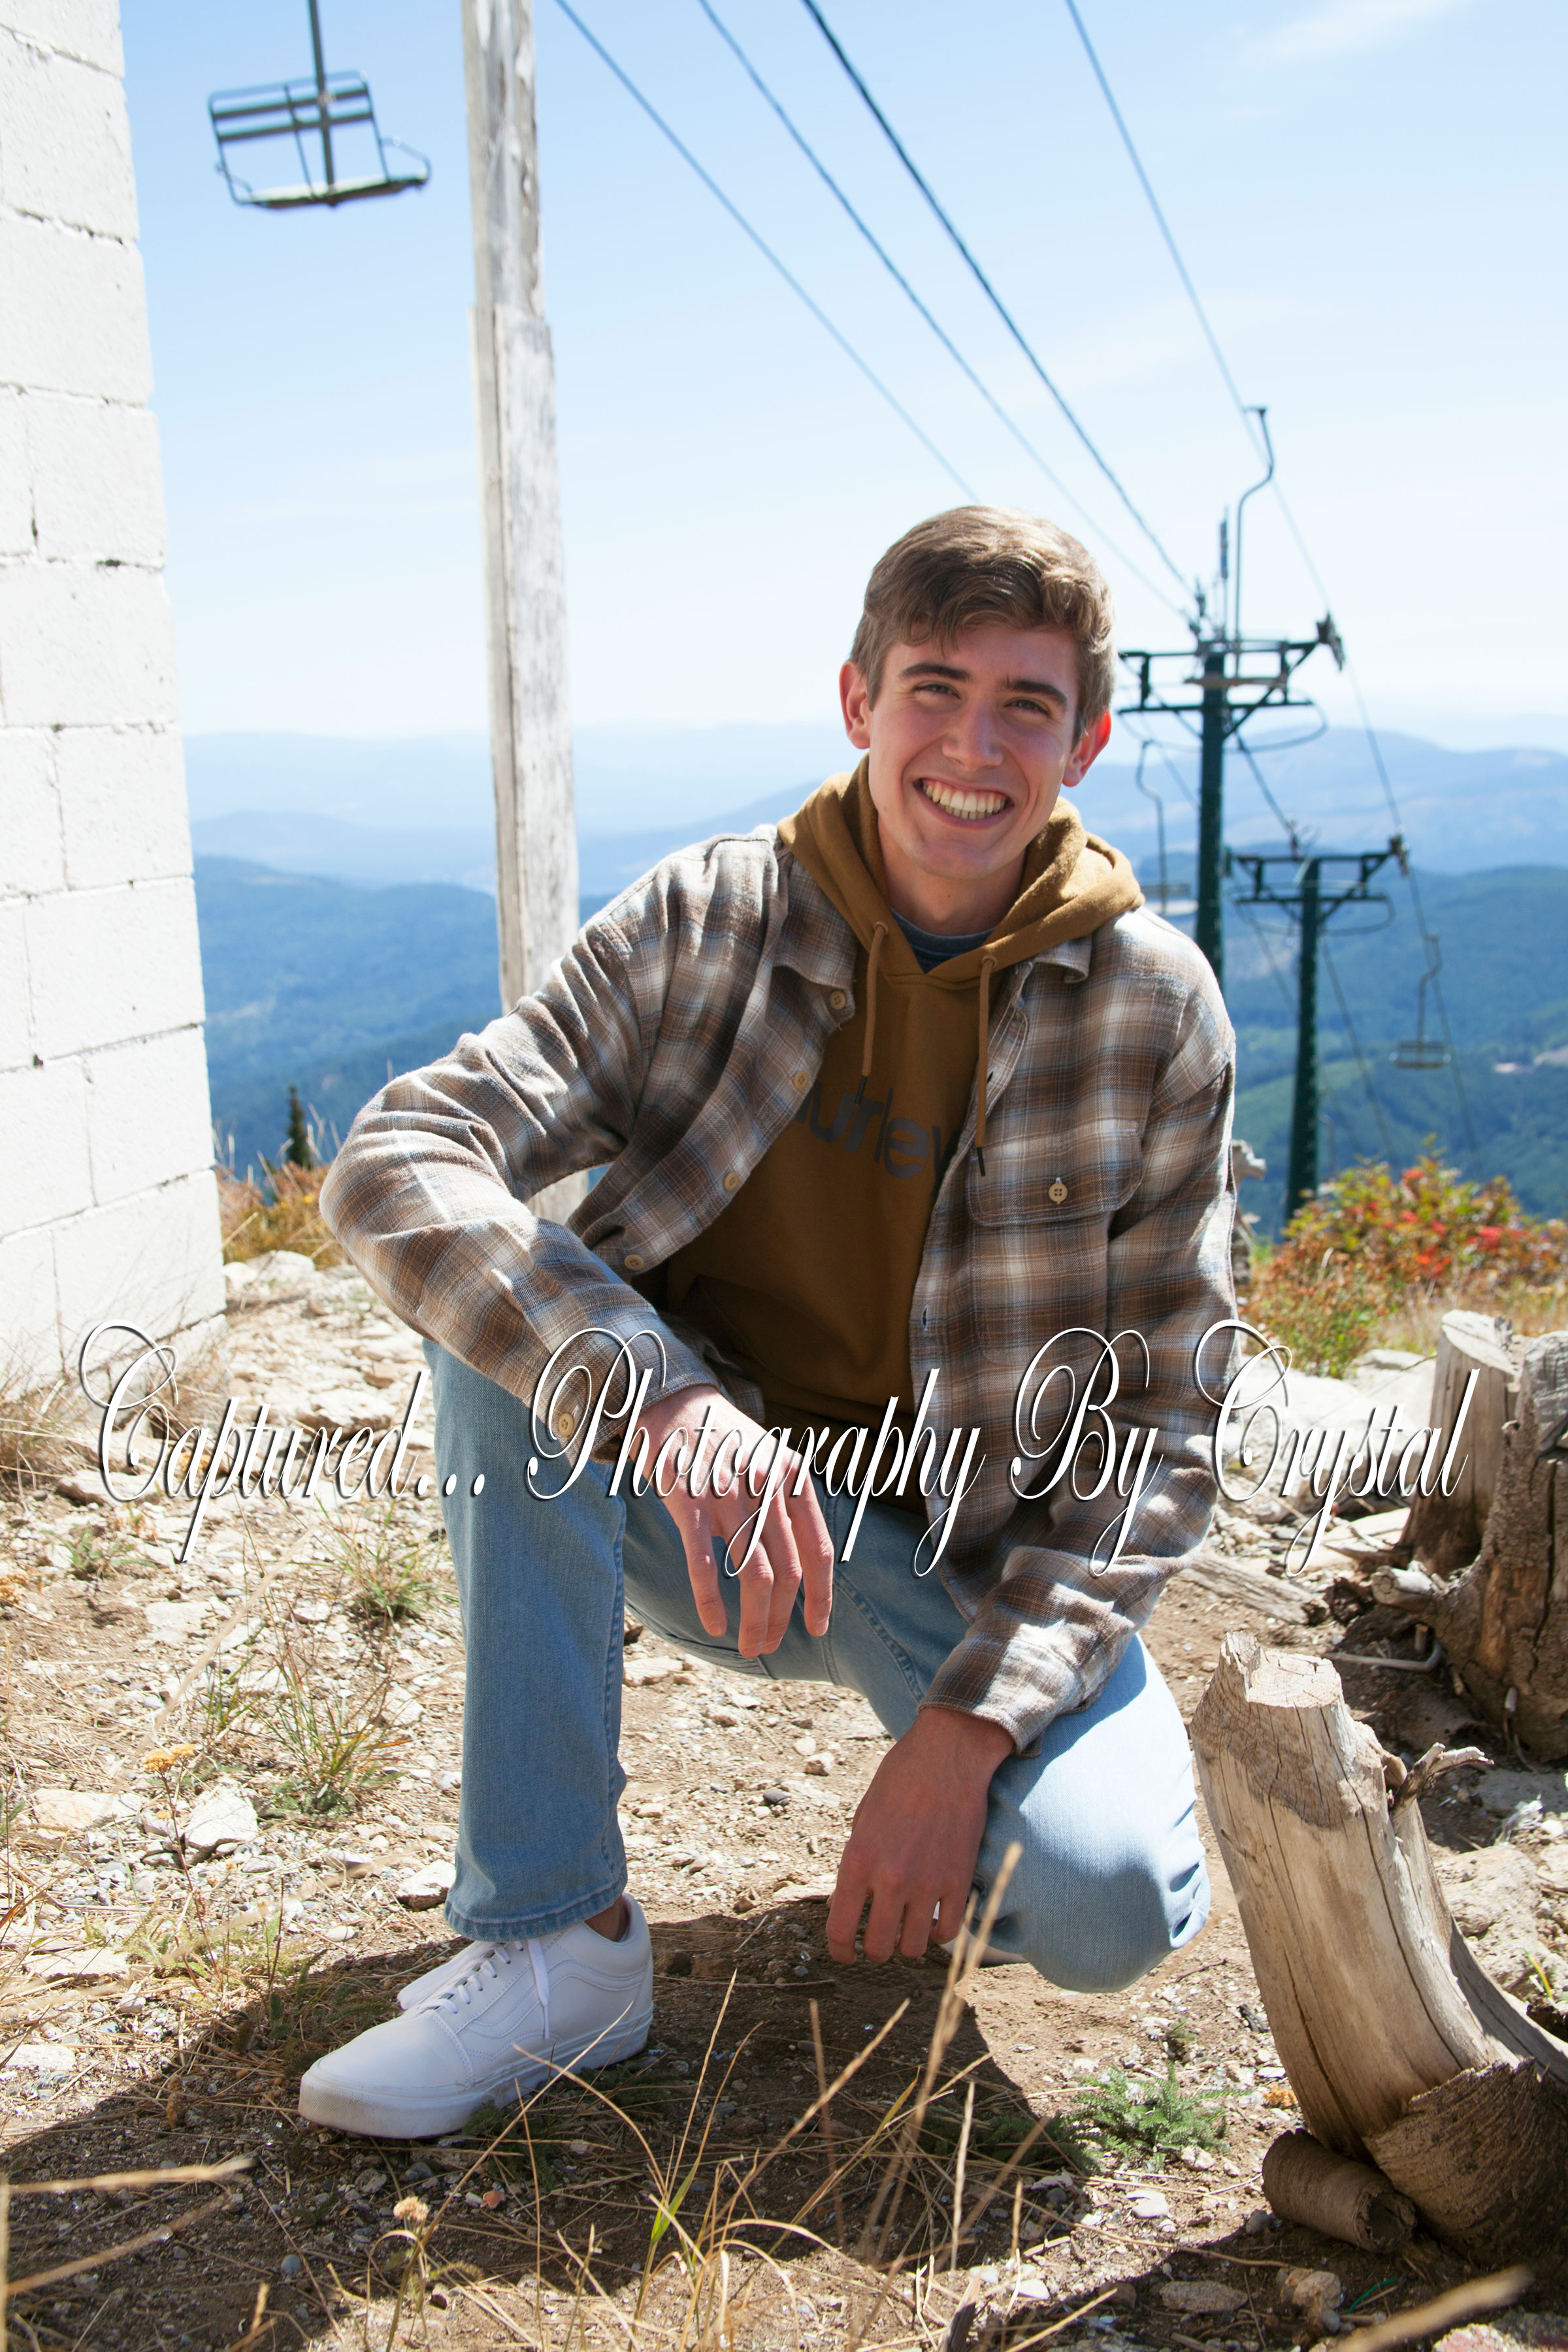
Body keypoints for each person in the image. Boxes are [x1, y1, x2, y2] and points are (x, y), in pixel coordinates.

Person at [301, 505, 1237, 2140]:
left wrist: (965, 1736)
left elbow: (1163, 1427)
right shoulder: (709, 920)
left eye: (1025, 707)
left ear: (1084, 744)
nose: (973, 748)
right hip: (701, 1512)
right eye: (935, 689)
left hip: (960, 1557)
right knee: (519, 1341)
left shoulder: (1153, 1007)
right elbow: (399, 1156)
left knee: (1106, 1909)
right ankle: (557, 1942)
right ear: (860, 701)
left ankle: (1014, 1773)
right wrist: (659, 1397)